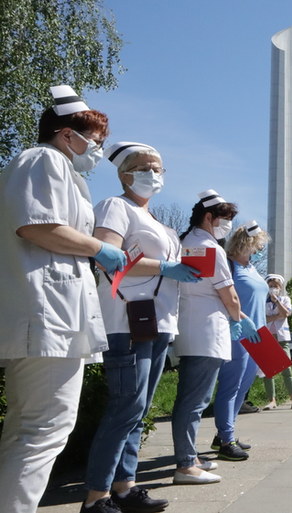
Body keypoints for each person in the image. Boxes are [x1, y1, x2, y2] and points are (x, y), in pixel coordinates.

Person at [0, 85, 126, 513]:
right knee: (43, 430)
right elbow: (37, 226)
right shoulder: (43, 159)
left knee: (32, 430)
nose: (96, 149)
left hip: (54, 319)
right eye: (94, 139)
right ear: (65, 132)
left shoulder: (59, 169)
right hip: (46, 318)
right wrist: (98, 248)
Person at [82, 142, 201, 512]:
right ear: (124, 174)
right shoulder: (115, 207)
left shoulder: (162, 225)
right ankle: (95, 497)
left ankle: (124, 487)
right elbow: (107, 255)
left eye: (159, 168)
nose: (154, 173)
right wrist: (164, 267)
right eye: (145, 167)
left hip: (159, 322)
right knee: (124, 408)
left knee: (138, 410)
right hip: (126, 319)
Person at [171, 190, 259, 484]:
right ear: (208, 217)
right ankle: (185, 464)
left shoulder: (190, 242)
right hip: (206, 331)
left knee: (193, 398)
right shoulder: (210, 247)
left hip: (195, 328)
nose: (227, 227)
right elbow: (229, 294)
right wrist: (240, 318)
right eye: (224, 220)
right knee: (194, 400)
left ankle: (190, 456)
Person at [211, 221, 269, 461]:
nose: (259, 249)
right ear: (247, 243)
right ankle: (226, 439)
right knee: (230, 386)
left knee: (243, 388)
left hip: (258, 335)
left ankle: (227, 432)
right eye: (257, 245)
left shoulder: (251, 268)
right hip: (237, 333)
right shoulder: (230, 266)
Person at [262, 273, 292, 410]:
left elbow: (286, 313)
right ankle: (272, 400)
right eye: (270, 286)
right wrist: (277, 316)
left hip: (282, 339)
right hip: (267, 338)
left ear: (280, 287)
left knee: (286, 369)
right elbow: (263, 319)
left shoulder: (285, 299)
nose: (273, 288)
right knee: (268, 371)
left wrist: (276, 302)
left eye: (276, 286)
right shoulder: (262, 300)